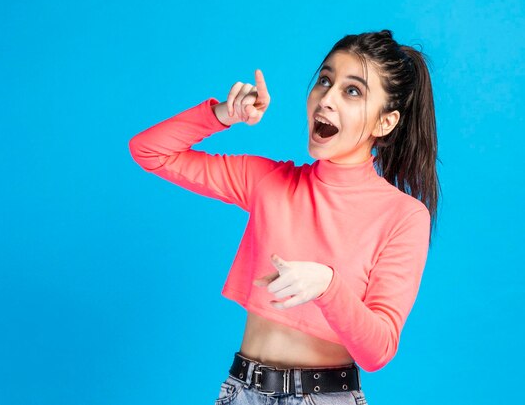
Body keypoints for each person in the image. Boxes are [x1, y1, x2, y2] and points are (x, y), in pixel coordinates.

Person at [128, 29, 440, 405]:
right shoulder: (268, 182)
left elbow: (379, 351)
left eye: (352, 91)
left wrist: (328, 286)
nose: (326, 98)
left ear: (384, 123)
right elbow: (149, 151)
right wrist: (222, 115)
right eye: (325, 80)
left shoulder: (403, 216)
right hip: (241, 391)